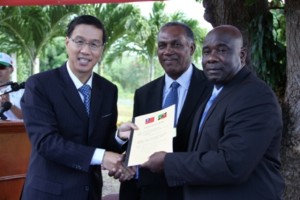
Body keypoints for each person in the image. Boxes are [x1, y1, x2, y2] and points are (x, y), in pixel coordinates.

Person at [142, 25, 285, 199]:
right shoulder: (216, 93)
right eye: (207, 51)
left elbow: (232, 164)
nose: (211, 58)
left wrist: (168, 162)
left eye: (222, 50)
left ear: (242, 55)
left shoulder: (255, 96)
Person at [20, 15, 134, 200]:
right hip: (48, 194)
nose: (85, 51)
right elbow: (46, 142)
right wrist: (102, 156)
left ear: (102, 49)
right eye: (79, 41)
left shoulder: (108, 90)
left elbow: (102, 143)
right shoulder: (39, 85)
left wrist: (119, 136)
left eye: (94, 44)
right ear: (67, 43)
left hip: (90, 193)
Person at [119, 22, 212, 200]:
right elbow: (138, 144)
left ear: (191, 48)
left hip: (193, 191)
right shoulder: (144, 94)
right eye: (162, 45)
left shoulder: (211, 88)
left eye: (176, 44)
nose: (168, 51)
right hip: (152, 192)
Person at [0, 52, 23, 120]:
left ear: (11, 69)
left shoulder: (22, 91)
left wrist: (10, 105)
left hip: (16, 130)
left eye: (2, 67)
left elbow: (29, 117)